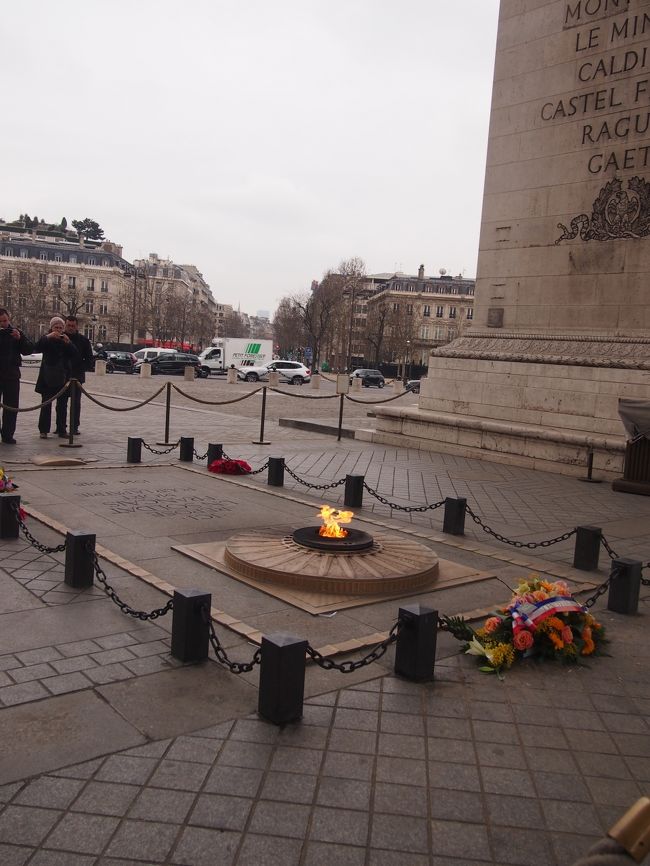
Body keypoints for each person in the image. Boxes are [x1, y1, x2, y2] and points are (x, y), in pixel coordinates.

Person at [34, 317, 79, 439]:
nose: (58, 330)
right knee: (46, 405)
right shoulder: (46, 339)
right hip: (48, 376)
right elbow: (36, 347)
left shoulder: (65, 340)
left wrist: (68, 343)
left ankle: (61, 429)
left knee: (62, 405)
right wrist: (48, 337)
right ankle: (43, 430)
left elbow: (75, 354)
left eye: (60, 328)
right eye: (56, 327)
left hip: (63, 377)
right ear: (51, 328)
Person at [0, 307, 35, 444]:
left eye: (6, 320)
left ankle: (8, 434)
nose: (4, 324)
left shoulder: (16, 332)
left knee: (12, 406)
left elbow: (29, 349)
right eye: (1, 322)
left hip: (12, 375)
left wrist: (19, 339)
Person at [56, 315, 93, 436]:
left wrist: (79, 369)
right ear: (65, 325)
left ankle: (74, 427)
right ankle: (60, 427)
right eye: (68, 325)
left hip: (77, 376)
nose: (71, 328)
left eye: (73, 326)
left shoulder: (83, 341)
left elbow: (89, 361)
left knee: (76, 404)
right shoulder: (59, 339)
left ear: (77, 326)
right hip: (62, 375)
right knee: (61, 403)